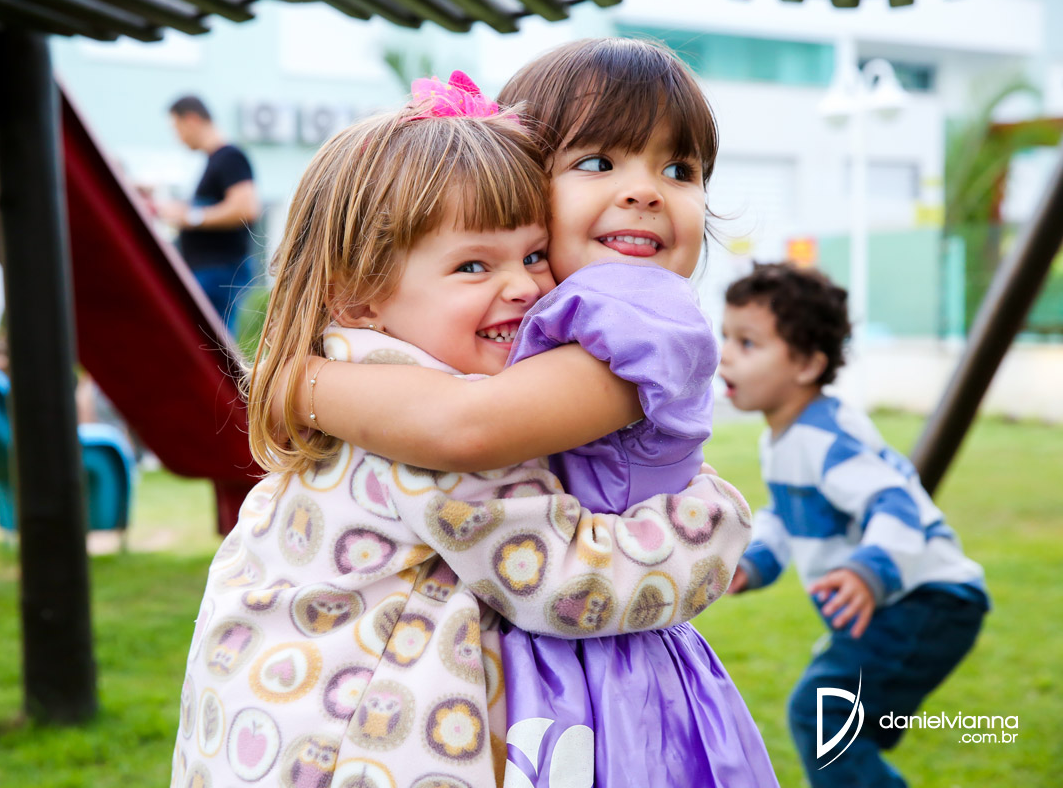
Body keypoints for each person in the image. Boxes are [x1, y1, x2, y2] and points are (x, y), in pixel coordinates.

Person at [171, 79, 755, 788]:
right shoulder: (414, 409)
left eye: (533, 255)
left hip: (268, 730)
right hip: (352, 747)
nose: (524, 288)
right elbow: (568, 583)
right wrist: (709, 522)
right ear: (358, 294)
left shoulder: (353, 367)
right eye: (473, 265)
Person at [720, 262, 988, 788]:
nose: (724, 354)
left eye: (747, 343)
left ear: (806, 364)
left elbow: (895, 503)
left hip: (928, 601)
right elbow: (787, 515)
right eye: (725, 336)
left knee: (824, 716)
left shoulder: (825, 437)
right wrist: (752, 563)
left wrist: (868, 570)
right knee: (832, 723)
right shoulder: (786, 437)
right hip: (907, 605)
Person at [160, 95, 258, 333]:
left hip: (220, 270)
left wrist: (191, 217)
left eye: (177, 128)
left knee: (210, 341)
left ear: (192, 120)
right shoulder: (216, 160)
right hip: (210, 270)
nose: (178, 137)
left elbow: (246, 208)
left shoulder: (230, 157)